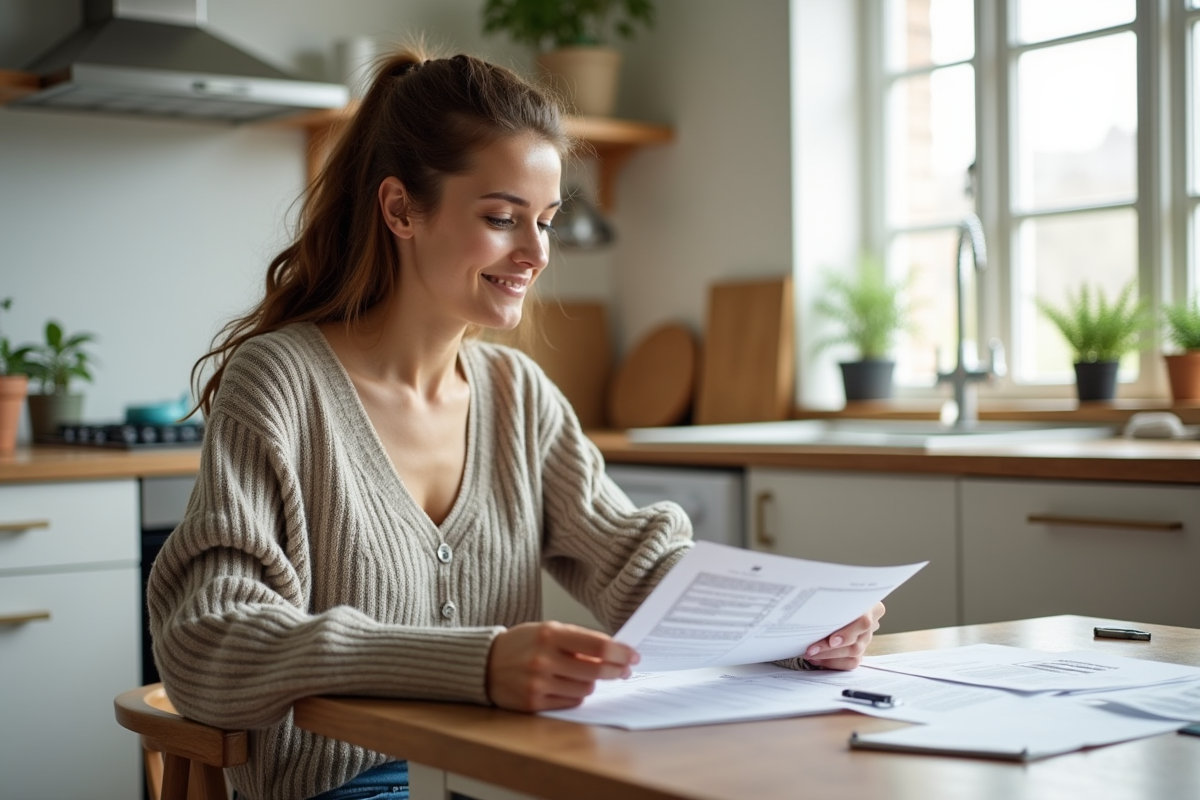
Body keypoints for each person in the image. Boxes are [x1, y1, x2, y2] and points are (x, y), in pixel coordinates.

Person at [147, 48, 885, 800]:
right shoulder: (280, 384)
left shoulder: (520, 395)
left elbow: (634, 565)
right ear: (401, 209)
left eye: (546, 221)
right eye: (502, 219)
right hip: (353, 785)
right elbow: (208, 642)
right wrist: (476, 664)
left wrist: (795, 630)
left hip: (501, 777)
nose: (535, 253)